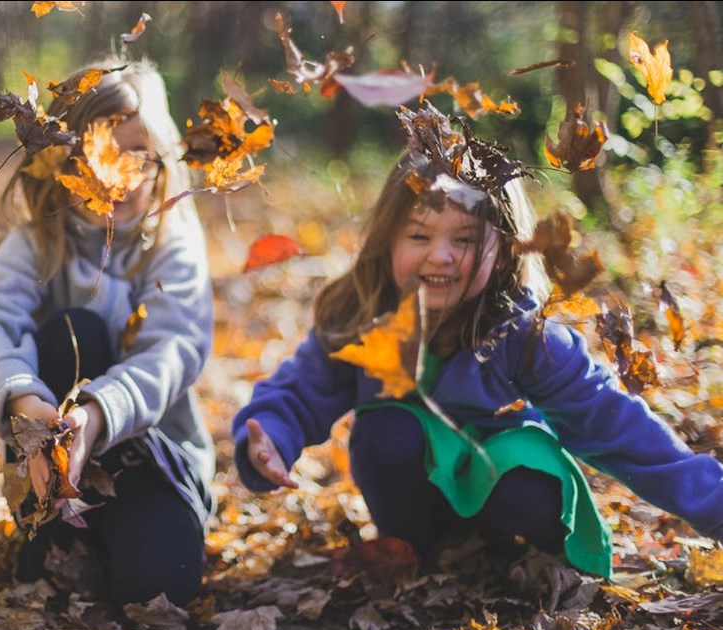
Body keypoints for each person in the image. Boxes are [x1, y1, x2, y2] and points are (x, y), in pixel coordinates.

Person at [233, 105, 723, 578]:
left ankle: (518, 557)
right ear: (388, 240)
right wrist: (273, 436)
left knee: (525, 475)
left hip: (508, 494)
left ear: (505, 250)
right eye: (419, 236)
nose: (440, 256)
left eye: (464, 240)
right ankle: (417, 551)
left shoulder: (526, 335)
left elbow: (616, 426)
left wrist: (714, 505)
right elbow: (300, 390)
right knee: (385, 433)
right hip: (414, 498)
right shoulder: (362, 316)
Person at [0, 58, 214, 606]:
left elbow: (173, 350)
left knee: (158, 591)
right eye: (95, 153)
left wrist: (96, 416)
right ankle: (52, 526)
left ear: (161, 160)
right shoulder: (37, 244)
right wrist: (24, 400)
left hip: (152, 462)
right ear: (59, 162)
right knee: (74, 330)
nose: (115, 175)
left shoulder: (172, 245)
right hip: (49, 464)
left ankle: (133, 534)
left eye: (134, 155)